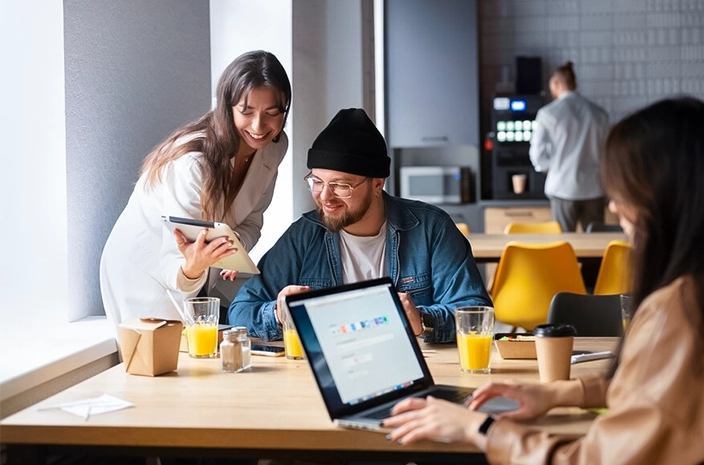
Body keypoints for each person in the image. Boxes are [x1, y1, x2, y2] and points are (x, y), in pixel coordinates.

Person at [384, 97, 704, 465]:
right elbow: (679, 390)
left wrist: (478, 427)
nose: (614, 205)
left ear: (663, 194)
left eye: (622, 188)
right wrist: (559, 394)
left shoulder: (683, 309)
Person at [228, 107, 490, 344]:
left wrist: (422, 321)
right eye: (317, 182)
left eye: (341, 185)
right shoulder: (304, 235)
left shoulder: (431, 228)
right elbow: (240, 310)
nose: (325, 197)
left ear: (377, 184)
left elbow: (475, 311)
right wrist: (277, 313)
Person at [100, 50, 292, 330]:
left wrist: (232, 247)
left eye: (272, 113)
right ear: (227, 107)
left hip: (194, 273)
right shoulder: (193, 163)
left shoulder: (275, 147)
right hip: (145, 271)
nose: (259, 126)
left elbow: (252, 221)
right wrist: (198, 263)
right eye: (246, 112)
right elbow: (177, 255)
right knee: (159, 364)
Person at [529, 61, 610, 232]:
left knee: (564, 244)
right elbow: (608, 152)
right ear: (574, 84)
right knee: (595, 244)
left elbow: (537, 154)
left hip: (562, 188)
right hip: (594, 189)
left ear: (556, 83)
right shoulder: (599, 113)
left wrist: (549, 168)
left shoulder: (548, 113)